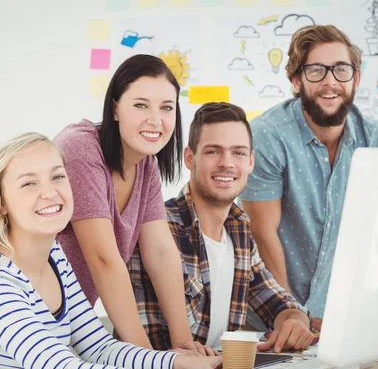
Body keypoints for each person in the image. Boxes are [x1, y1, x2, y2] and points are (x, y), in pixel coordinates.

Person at [0, 133, 285, 369]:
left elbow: (98, 350)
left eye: (57, 176)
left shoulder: (55, 259)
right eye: (28, 184)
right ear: (2, 202)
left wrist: (180, 362)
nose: (50, 192)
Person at [129, 102, 314, 354]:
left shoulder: (239, 234)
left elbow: (277, 302)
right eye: (213, 151)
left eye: (238, 153)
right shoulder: (158, 228)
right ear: (189, 158)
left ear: (250, 162)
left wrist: (294, 321)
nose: (226, 163)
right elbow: (149, 346)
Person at [239, 25, 378, 327]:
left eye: (341, 70)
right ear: (296, 80)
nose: (330, 82)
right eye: (316, 71)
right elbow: (263, 233)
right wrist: (291, 314)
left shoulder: (373, 138)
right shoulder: (268, 135)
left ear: (356, 78)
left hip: (339, 316)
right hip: (271, 315)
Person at [54, 55, 205, 353]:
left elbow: (161, 253)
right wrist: (148, 360)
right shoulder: (81, 148)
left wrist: (185, 344)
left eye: (166, 108)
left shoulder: (145, 164)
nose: (155, 119)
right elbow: (103, 260)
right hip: (32, 318)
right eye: (140, 105)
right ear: (114, 109)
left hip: (72, 325)